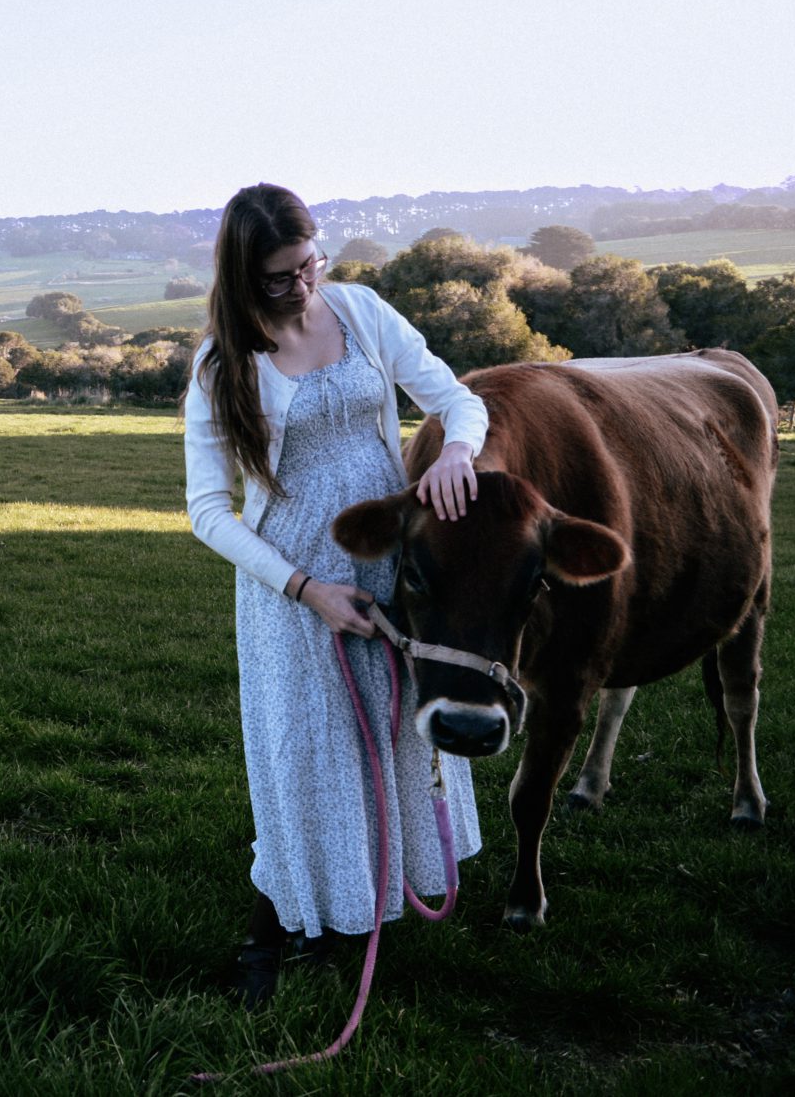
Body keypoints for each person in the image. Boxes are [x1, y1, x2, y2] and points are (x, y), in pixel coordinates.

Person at [181, 183, 488, 1003]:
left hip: (390, 559)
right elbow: (207, 511)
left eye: (309, 264)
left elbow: (458, 399)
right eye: (281, 278)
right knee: (311, 755)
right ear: (245, 277)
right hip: (295, 586)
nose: (302, 287)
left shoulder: (359, 309)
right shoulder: (221, 364)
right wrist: (307, 588)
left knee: (392, 738)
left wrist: (457, 452)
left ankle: (369, 909)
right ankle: (271, 931)